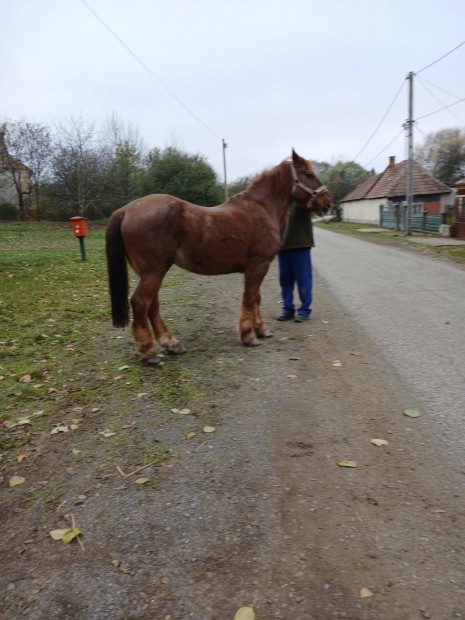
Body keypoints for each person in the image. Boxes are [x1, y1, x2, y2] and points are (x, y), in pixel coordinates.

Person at [276, 200, 314, 322]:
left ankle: (304, 310)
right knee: (285, 281)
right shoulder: (279, 200)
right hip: (282, 247)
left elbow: (321, 208)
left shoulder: (303, 198)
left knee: (303, 281)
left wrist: (312, 204)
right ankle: (288, 310)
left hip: (301, 246)